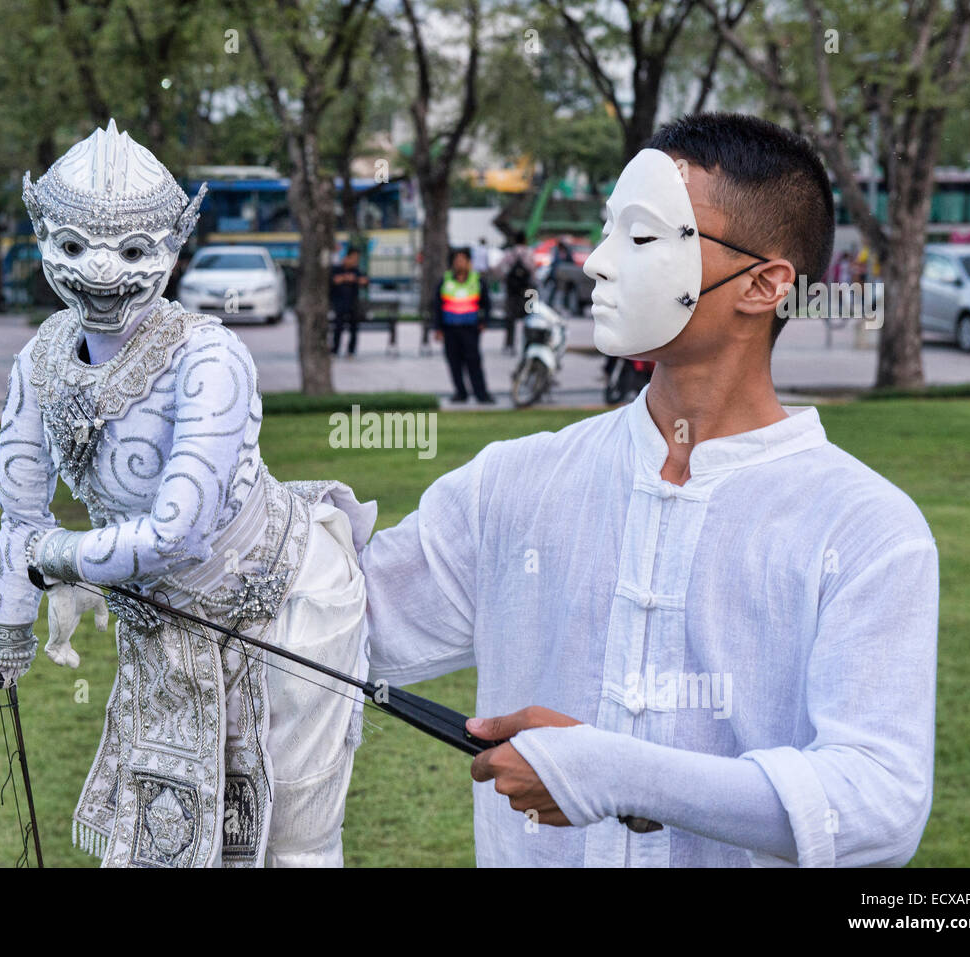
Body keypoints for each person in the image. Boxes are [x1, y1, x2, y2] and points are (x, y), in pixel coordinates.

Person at [360, 112, 938, 867]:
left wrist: (615, 771)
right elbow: (345, 614)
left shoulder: (866, 530)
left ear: (764, 284)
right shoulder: (513, 482)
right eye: (609, 230)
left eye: (641, 237)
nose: (600, 262)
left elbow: (878, 802)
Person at [0, 120, 376, 868]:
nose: (101, 273)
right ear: (42, 232)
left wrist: (61, 560)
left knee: (294, 848)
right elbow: (21, 521)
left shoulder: (210, 357)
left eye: (135, 250)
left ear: (175, 247)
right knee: (157, 847)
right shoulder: (40, 358)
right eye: (72, 246)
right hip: (162, 627)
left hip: (286, 609)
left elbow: (177, 531)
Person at [432, 247, 493, 404]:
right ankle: (460, 393)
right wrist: (438, 328)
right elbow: (437, 306)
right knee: (454, 362)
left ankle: (481, 393)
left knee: (474, 362)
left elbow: (486, 304)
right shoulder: (445, 281)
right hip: (450, 329)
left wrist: (484, 322)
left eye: (462, 260)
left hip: (470, 329)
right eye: (456, 260)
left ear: (468, 262)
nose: (459, 263)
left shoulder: (477, 280)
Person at [494, 229, 536, 353]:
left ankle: (509, 344)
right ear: (525, 240)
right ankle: (528, 343)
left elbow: (498, 268)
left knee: (510, 318)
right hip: (527, 290)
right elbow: (533, 271)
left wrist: (505, 279)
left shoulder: (510, 253)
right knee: (529, 316)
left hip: (512, 290)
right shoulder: (529, 253)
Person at [330, 246, 368, 357]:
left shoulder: (356, 271)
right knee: (338, 326)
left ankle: (351, 351)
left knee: (354, 327)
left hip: (353, 304)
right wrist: (346, 278)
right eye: (354, 259)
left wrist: (354, 279)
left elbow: (365, 280)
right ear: (347, 257)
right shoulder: (337, 268)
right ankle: (335, 350)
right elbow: (334, 280)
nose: (356, 261)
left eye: (357, 259)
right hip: (339, 303)